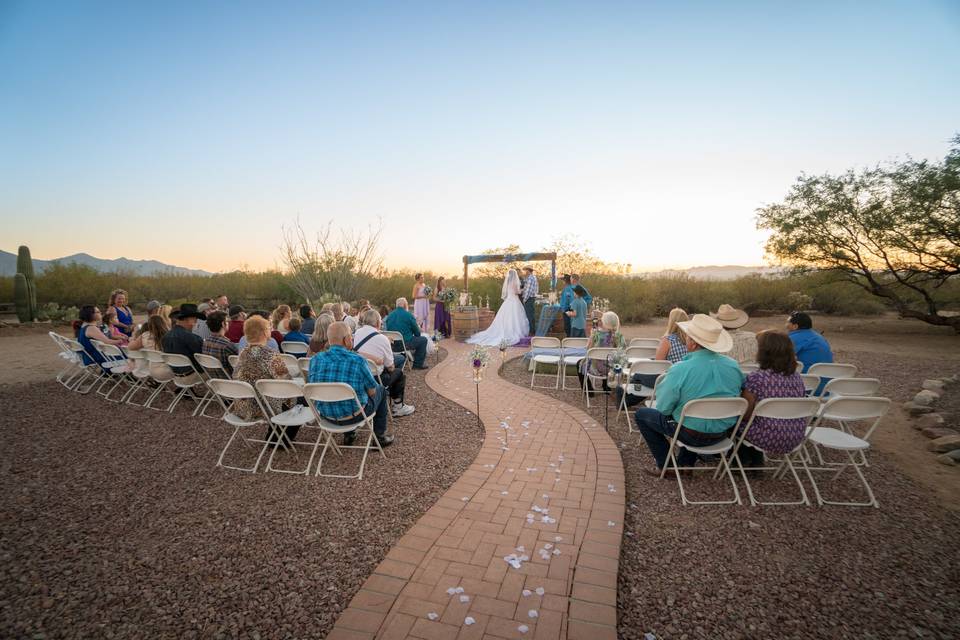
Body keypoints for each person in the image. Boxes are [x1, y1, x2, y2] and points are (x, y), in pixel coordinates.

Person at [634, 314, 744, 474]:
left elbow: (664, 408)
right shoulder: (733, 366)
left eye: (687, 336)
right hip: (723, 433)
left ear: (692, 343)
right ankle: (686, 465)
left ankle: (668, 467)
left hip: (691, 434)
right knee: (692, 412)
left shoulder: (680, 369)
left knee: (642, 415)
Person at [308, 322, 394, 447]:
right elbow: (372, 392)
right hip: (354, 416)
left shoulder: (315, 359)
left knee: (345, 394)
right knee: (380, 389)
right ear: (346, 339)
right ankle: (379, 438)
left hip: (326, 416)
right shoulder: (358, 360)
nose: (352, 338)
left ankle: (349, 434)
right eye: (351, 336)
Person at [737, 331, 808, 468]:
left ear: (763, 352)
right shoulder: (797, 378)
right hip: (795, 437)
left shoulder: (757, 378)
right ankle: (754, 463)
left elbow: (745, 415)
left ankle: (742, 463)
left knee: (734, 421)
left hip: (767, 438)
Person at [232, 316, 295, 442]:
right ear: (265, 332)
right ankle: (280, 438)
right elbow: (287, 382)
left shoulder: (242, 354)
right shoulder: (270, 355)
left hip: (244, 406)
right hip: (266, 407)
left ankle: (276, 434)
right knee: (301, 398)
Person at [354, 308, 415, 417]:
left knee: (399, 359)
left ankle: (391, 393)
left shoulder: (357, 333)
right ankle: (398, 406)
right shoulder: (382, 339)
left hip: (359, 375)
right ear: (378, 322)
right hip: (376, 378)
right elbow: (390, 367)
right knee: (398, 373)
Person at [465, 269, 529, 347]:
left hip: (508, 300)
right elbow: (517, 292)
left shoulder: (508, 282)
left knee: (506, 318)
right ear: (514, 275)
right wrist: (523, 290)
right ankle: (512, 332)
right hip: (514, 300)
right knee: (514, 317)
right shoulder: (514, 282)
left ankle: (505, 330)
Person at [579, 310, 626, 393]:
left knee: (580, 363)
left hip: (596, 369)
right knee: (609, 360)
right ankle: (606, 387)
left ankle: (588, 391)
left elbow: (588, 350)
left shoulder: (597, 334)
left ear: (605, 322)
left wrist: (591, 336)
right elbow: (622, 353)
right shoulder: (619, 336)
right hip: (613, 369)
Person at [385, 298, 430, 369]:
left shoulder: (390, 315)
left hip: (392, 345)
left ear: (397, 305)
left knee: (415, 339)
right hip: (404, 344)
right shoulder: (408, 315)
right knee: (423, 340)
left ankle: (407, 358)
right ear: (405, 305)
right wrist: (416, 334)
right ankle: (417, 365)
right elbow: (417, 333)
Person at [161, 303, 206, 373]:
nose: (196, 321)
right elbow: (203, 359)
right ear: (187, 319)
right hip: (194, 375)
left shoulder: (165, 336)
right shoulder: (193, 338)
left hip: (176, 376)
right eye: (195, 318)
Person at [520, 266, 538, 336]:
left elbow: (528, 290)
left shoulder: (530, 278)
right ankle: (533, 330)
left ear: (528, 271)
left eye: (525, 270)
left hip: (529, 298)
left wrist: (524, 299)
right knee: (531, 315)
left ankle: (531, 331)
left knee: (529, 315)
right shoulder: (533, 277)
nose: (524, 272)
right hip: (532, 298)